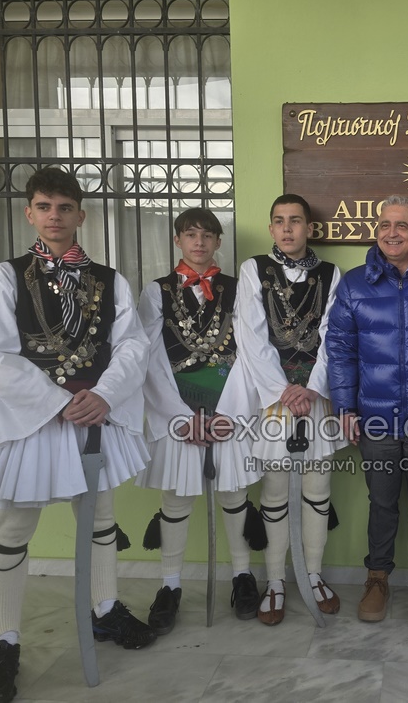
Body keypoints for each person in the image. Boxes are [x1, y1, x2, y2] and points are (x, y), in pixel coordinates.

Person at [0, 167, 155, 703]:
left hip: (94, 413)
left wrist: (104, 395)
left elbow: (132, 345)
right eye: (44, 207)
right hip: (34, 417)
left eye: (65, 207)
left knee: (101, 516)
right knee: (13, 524)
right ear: (30, 213)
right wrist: (57, 401)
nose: (54, 216)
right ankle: (4, 641)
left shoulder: (110, 280)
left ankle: (105, 609)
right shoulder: (4, 277)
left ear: (80, 215)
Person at [325, 195, 408, 624]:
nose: (392, 232)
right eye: (384, 224)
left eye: (402, 225)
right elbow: (340, 350)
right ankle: (377, 578)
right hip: (375, 418)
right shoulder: (354, 284)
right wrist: (345, 406)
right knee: (381, 503)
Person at [134, 207, 265, 634]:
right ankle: (169, 585)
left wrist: (231, 414)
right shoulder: (156, 292)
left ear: (218, 242)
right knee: (176, 500)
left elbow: (252, 352)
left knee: (235, 493)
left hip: (229, 408)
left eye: (207, 235)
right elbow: (146, 358)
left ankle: (242, 576)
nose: (199, 242)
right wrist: (178, 417)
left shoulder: (238, 288)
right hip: (178, 412)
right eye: (190, 234)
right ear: (177, 240)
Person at [234, 194, 345, 625]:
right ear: (271, 228)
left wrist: (312, 389)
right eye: (279, 221)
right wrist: (283, 391)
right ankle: (276, 580)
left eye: (295, 220)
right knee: (275, 492)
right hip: (274, 399)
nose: (287, 228)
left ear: (309, 228)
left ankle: (313, 574)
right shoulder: (253, 269)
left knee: (318, 490)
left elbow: (334, 335)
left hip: (315, 397)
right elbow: (250, 334)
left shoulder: (331, 274)